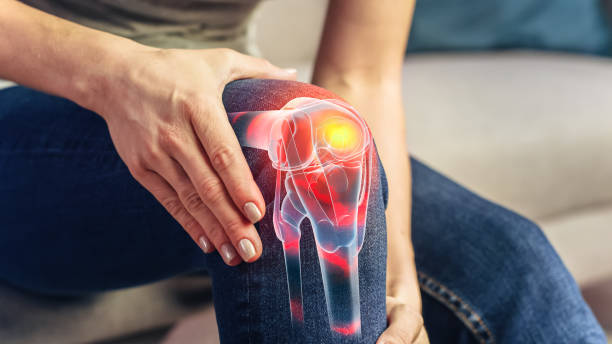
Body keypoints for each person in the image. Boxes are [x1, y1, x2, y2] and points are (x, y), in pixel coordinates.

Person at [0, 1, 606, 343]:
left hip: (222, 104)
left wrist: (396, 280)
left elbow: (359, 76)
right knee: (293, 153)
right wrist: (115, 76)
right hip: (30, 91)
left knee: (511, 266)